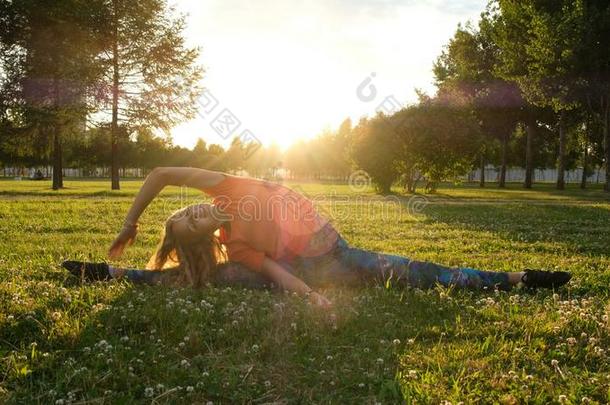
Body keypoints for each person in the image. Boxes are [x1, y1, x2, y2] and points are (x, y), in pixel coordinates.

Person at [62, 167, 572, 308]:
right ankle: (112, 274)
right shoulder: (235, 245)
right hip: (317, 270)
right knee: (216, 279)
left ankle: (520, 277)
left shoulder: (225, 187)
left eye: (186, 211)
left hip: (339, 252)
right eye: (190, 223)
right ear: (202, 235)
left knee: (420, 272)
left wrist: (131, 223)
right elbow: (276, 272)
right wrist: (313, 299)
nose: (194, 211)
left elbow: (158, 174)